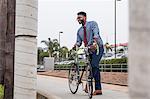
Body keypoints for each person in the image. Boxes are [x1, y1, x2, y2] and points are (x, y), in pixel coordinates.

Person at [73, 11, 104, 95]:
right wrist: (75, 46)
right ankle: (88, 85)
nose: (78, 19)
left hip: (97, 47)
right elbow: (79, 42)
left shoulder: (92, 24)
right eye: (77, 18)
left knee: (94, 65)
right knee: (90, 67)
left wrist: (94, 42)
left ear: (85, 17)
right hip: (89, 50)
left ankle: (98, 89)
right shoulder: (79, 31)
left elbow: (96, 33)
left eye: (79, 17)